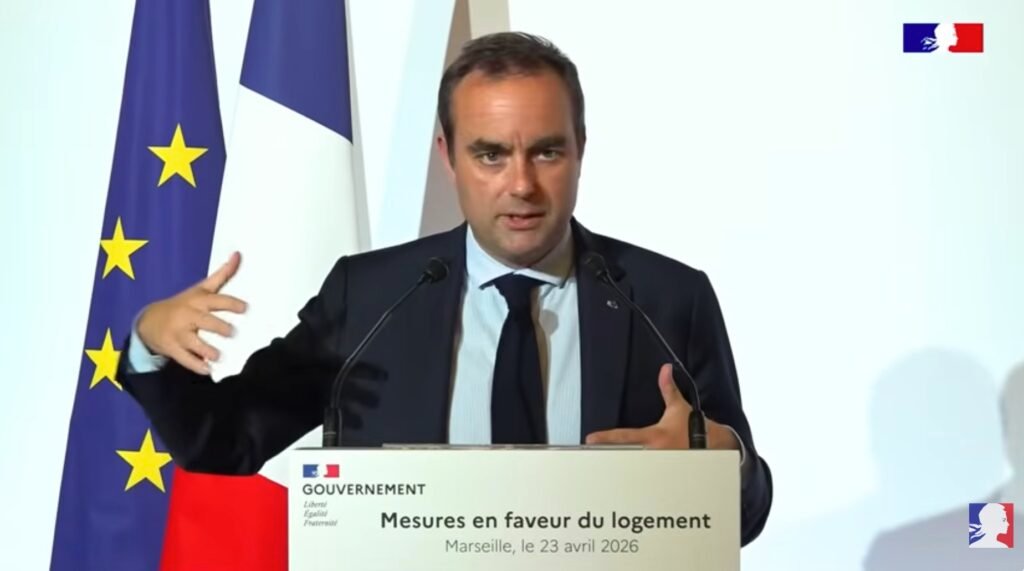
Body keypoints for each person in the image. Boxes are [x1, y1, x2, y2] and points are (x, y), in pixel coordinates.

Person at [120, 31, 772, 545]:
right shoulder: (369, 298)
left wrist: (730, 463)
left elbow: (744, 516)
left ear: (580, 148)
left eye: (547, 152)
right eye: (491, 154)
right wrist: (150, 346)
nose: (521, 185)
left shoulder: (666, 299)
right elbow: (226, 441)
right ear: (447, 153)